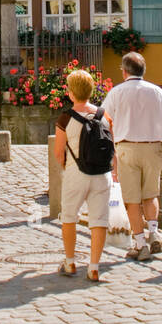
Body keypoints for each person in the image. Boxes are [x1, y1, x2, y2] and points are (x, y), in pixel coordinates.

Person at [99, 51, 162, 261]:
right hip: (153, 148)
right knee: (150, 195)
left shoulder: (116, 92)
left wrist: (112, 157)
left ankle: (140, 245)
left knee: (132, 201)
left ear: (124, 72)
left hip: (127, 148)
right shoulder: (156, 92)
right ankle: (154, 233)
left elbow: (105, 124)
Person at [54, 69, 111, 282]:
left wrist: (66, 166)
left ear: (71, 93)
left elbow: (59, 152)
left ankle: (69, 263)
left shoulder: (65, 118)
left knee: (69, 216)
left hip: (76, 173)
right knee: (99, 220)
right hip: (101, 173)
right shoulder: (104, 115)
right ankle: (94, 266)